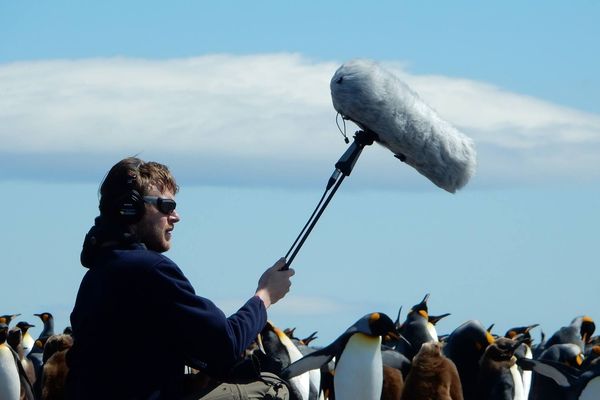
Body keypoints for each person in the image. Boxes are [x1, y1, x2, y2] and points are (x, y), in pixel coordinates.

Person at [66, 157, 295, 400]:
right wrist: (264, 296)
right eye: (166, 206)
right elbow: (226, 343)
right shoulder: (149, 269)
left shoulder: (97, 274)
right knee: (272, 387)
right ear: (130, 208)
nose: (176, 216)